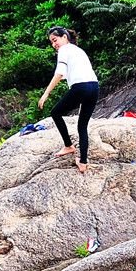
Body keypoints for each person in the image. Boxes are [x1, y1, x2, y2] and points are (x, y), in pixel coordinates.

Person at [37, 26, 99, 175]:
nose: (54, 44)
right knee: (82, 126)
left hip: (81, 87)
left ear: (64, 37)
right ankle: (83, 162)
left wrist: (46, 94)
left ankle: (68, 146)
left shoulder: (64, 50)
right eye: (51, 42)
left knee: (55, 113)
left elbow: (60, 73)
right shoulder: (78, 50)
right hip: (94, 87)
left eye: (55, 40)